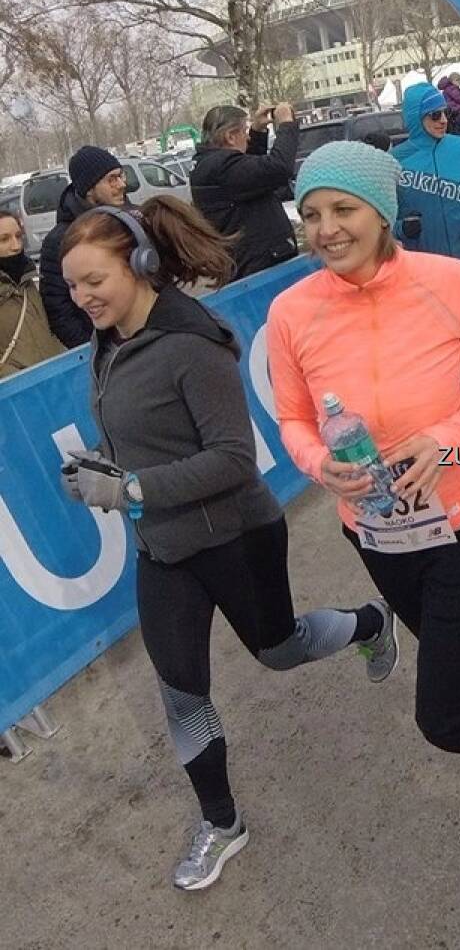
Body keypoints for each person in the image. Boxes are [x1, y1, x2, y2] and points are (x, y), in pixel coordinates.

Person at [57, 197, 394, 889]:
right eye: (70, 286)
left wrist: (132, 489)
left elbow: (235, 458)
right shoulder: (109, 342)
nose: (81, 296)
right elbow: (142, 438)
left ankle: (369, 622)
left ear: (141, 265)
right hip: (165, 551)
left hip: (238, 536)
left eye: (94, 280)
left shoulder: (190, 344)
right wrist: (100, 463)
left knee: (280, 650)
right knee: (181, 690)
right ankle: (221, 822)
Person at [266, 141, 460, 839]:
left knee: (443, 714)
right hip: (374, 527)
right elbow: (291, 416)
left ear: (380, 211)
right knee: (449, 645)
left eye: (343, 208)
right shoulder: (290, 311)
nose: (326, 229)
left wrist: (447, 440)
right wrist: (319, 463)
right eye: (311, 214)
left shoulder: (450, 281)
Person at [392, 83, 460, 282]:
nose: (443, 120)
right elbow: (380, 218)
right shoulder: (394, 160)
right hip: (424, 269)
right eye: (434, 115)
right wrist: (401, 228)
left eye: (445, 113)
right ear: (416, 117)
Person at [190, 103, 300, 280]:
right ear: (230, 136)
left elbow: (252, 178)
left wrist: (257, 131)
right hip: (261, 267)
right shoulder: (223, 167)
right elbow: (278, 168)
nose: (247, 138)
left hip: (247, 262)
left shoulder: (207, 163)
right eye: (244, 132)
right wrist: (286, 123)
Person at [40, 145, 131, 346]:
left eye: (121, 176)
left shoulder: (131, 220)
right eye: (112, 179)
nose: (122, 184)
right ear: (90, 189)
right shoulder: (60, 241)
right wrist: (97, 349)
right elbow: (59, 311)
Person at [0, 211, 64, 375]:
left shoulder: (27, 281)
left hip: (53, 379)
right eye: (4, 239)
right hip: (16, 390)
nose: (16, 246)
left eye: (18, 236)